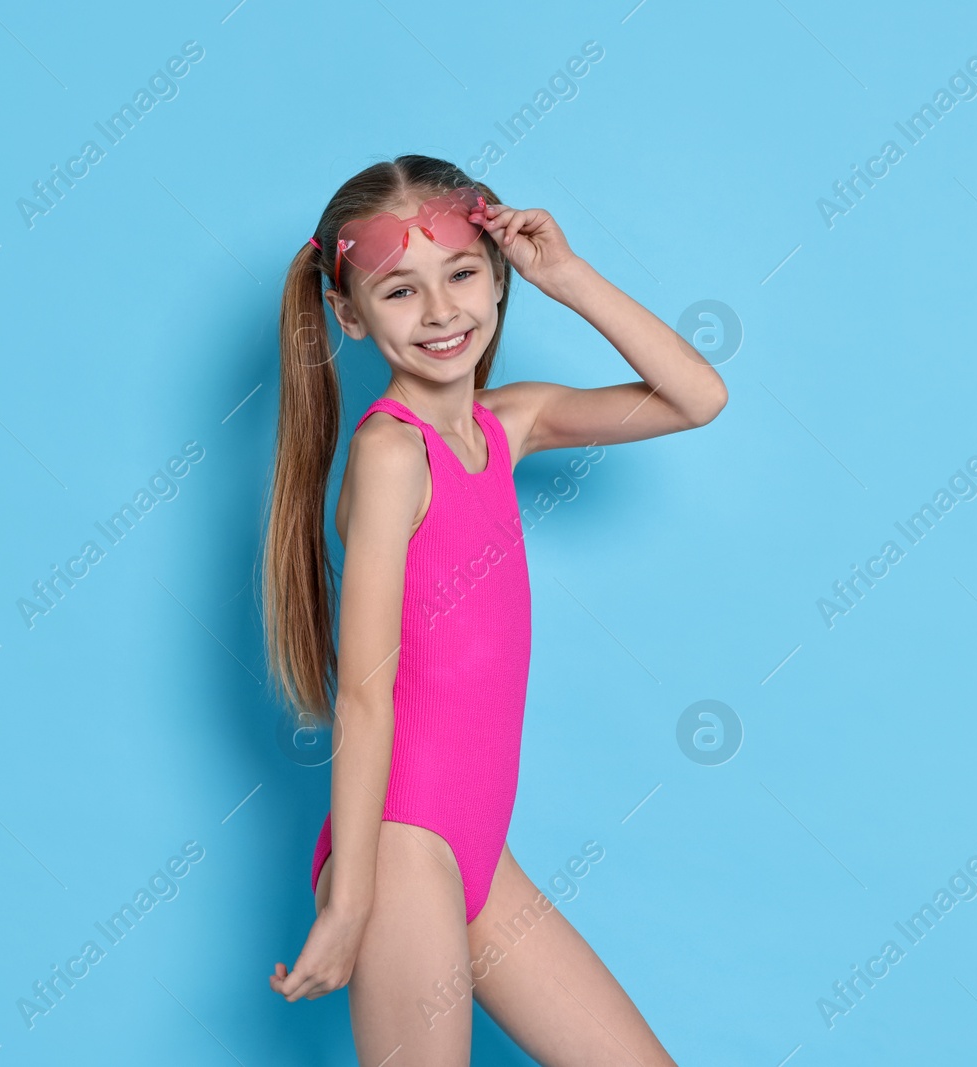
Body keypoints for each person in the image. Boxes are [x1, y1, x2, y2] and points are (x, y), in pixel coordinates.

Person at [262, 153, 725, 1065]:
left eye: (463, 273)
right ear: (349, 315)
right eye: (399, 291)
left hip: (478, 849)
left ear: (498, 277)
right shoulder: (394, 457)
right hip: (402, 852)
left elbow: (697, 397)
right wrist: (350, 900)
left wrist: (566, 274)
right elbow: (364, 695)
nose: (441, 313)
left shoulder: (511, 424)